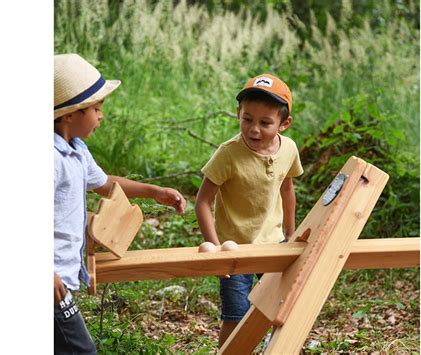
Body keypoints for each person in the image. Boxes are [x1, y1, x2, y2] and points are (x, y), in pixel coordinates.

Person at [54, 53, 186, 353]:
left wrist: (154, 191)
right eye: (96, 109)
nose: (101, 116)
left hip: (61, 278)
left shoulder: (77, 149)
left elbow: (105, 183)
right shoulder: (49, 157)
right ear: (68, 114)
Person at [195, 74, 304, 346]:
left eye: (265, 123)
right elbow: (202, 202)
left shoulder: (288, 149)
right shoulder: (228, 153)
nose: (254, 129)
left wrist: (291, 233)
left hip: (273, 245)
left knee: (280, 307)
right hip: (235, 250)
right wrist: (217, 248)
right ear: (238, 114)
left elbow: (287, 190)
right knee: (236, 315)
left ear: (284, 123)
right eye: (247, 119)